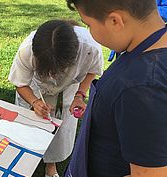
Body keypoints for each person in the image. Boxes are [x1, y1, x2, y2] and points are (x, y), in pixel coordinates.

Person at [65, 0, 167, 177]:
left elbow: (150, 174)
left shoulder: (139, 87)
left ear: (115, 21)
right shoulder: (152, 45)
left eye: (89, 24)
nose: (90, 31)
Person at [8, 20, 103, 177]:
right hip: (34, 88)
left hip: (68, 90)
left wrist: (80, 95)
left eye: (57, 69)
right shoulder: (27, 50)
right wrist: (34, 101)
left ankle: (51, 165)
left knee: (60, 129)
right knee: (28, 128)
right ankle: (25, 159)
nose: (52, 75)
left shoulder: (90, 48)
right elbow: (21, 83)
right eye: (47, 69)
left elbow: (91, 71)